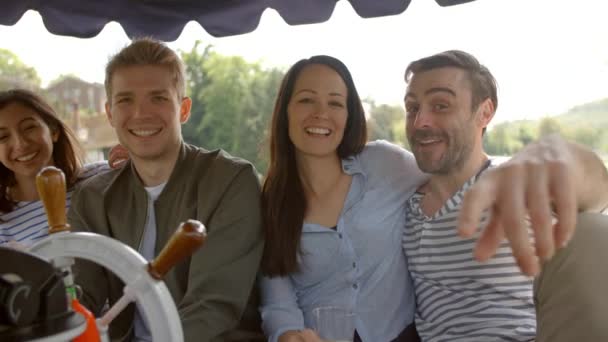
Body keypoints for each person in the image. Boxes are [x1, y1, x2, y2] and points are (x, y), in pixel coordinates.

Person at [401, 50, 608, 342]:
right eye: (412, 108)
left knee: (595, 232)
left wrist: (566, 159)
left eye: (441, 105)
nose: (420, 121)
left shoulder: (512, 180)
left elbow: (598, 193)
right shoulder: (403, 204)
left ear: (484, 113)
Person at [68, 38, 265, 341]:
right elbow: (80, 300)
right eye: (125, 100)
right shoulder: (93, 198)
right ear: (110, 113)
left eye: (158, 98)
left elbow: (213, 307)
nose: (141, 114)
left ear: (183, 108)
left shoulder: (231, 181)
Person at [258, 55, 426, 342]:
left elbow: (453, 176)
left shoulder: (386, 164)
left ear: (349, 115)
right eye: (307, 100)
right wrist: (289, 336)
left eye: (335, 103)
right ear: (285, 111)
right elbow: (278, 300)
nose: (321, 113)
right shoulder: (271, 201)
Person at [0, 89, 108, 247]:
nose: (21, 144)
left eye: (29, 128)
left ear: (53, 131)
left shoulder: (102, 177)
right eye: (2, 137)